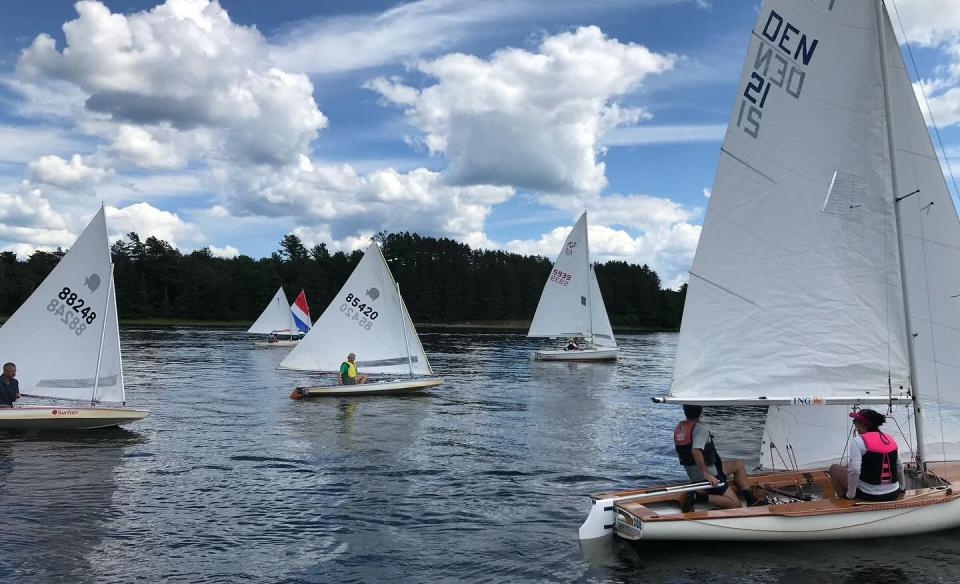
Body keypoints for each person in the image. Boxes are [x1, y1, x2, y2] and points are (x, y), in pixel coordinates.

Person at [674, 404, 761, 510]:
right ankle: (700, 497)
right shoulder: (700, 429)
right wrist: (706, 474)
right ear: (701, 409)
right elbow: (695, 451)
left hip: (693, 473)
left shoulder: (680, 427)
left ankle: (750, 499)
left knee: (738, 464)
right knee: (736, 504)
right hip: (710, 474)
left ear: (684, 410)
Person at [829, 409, 904, 502]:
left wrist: (851, 494)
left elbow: (855, 471)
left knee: (833, 468)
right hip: (894, 493)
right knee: (849, 469)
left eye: (855, 422)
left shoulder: (858, 441)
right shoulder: (889, 438)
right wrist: (902, 488)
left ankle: (847, 502)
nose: (855, 425)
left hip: (869, 494)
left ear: (863, 424)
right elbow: (900, 466)